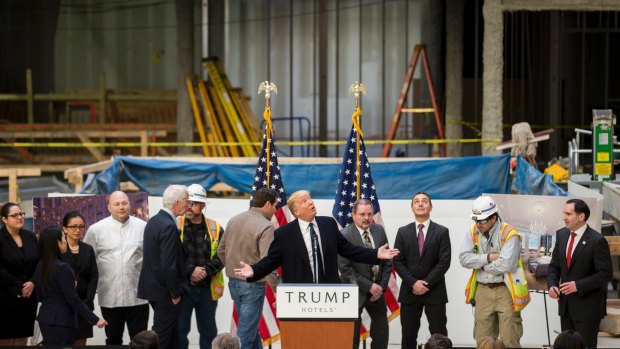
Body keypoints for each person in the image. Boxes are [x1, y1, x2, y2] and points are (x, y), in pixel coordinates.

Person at [235, 190, 399, 284]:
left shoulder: (328, 224)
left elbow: (349, 250)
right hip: (300, 295)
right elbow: (271, 261)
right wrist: (254, 270)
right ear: (296, 211)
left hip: (329, 293)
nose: (310, 202)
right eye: (304, 201)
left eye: (310, 198)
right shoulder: (284, 234)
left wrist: (375, 254)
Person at [459, 195, 530, 348]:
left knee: (510, 339)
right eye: (475, 220)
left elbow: (506, 265)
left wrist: (480, 264)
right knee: (483, 341)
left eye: (481, 220)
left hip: (506, 290)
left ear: (493, 218)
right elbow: (464, 259)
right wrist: (489, 257)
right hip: (483, 291)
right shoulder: (473, 231)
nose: (478, 224)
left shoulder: (510, 233)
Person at [84, 190, 150, 345]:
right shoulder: (96, 229)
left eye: (124, 203)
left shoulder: (143, 227)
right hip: (109, 297)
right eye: (117, 204)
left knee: (141, 340)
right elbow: (87, 260)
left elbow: (151, 259)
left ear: (130, 204)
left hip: (138, 296)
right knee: (113, 339)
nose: (121, 207)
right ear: (109, 207)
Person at [217, 187, 279, 349]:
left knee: (250, 329)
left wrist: (232, 268)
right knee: (246, 331)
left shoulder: (234, 219)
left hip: (234, 283)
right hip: (253, 285)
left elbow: (220, 251)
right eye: (275, 205)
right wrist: (276, 289)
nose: (276, 209)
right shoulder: (266, 226)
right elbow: (269, 262)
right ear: (267, 204)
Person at [547, 199, 612, 349]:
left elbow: (605, 274)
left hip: (587, 310)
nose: (564, 217)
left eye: (568, 214)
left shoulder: (597, 241)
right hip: (566, 308)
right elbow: (554, 267)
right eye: (564, 213)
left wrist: (578, 285)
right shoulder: (562, 235)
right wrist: (552, 286)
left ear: (581, 216)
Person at [394, 192, 451, 349]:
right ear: (412, 208)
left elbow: (444, 262)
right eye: (416, 202)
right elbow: (398, 261)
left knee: (439, 336)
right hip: (409, 292)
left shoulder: (442, 231)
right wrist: (414, 283)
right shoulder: (402, 232)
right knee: (408, 336)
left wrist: (425, 283)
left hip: (435, 291)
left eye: (424, 201)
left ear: (430, 207)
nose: (420, 204)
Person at [33, 226, 107, 345]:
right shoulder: (63, 268)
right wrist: (95, 319)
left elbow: (40, 296)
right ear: (57, 243)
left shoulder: (40, 265)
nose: (65, 241)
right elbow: (73, 300)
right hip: (62, 321)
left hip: (45, 319)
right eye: (63, 238)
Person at [138, 184, 189, 349]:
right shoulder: (168, 225)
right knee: (161, 339)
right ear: (177, 202)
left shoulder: (154, 221)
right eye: (186, 201)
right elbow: (168, 265)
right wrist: (175, 292)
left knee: (172, 335)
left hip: (154, 289)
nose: (188, 205)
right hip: (165, 292)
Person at [338, 199, 391, 349]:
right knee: (352, 336)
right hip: (355, 291)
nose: (366, 218)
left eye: (369, 214)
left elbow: (387, 261)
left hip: (378, 293)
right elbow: (345, 269)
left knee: (381, 332)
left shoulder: (379, 230)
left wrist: (380, 287)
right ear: (354, 215)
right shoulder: (344, 235)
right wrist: (369, 286)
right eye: (362, 214)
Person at [178, 184, 225, 349]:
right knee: (179, 332)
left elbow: (223, 255)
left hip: (207, 289)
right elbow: (172, 257)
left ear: (203, 205)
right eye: (187, 202)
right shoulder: (175, 225)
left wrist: (205, 272)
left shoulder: (216, 228)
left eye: (194, 203)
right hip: (182, 288)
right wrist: (190, 270)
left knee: (209, 332)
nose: (189, 207)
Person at [0, 202, 39, 345]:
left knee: (23, 338)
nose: (19, 217)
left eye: (21, 214)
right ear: (4, 219)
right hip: (6, 297)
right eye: (14, 215)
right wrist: (20, 287)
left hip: (29, 297)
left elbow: (39, 263)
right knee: (7, 339)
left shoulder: (30, 236)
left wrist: (33, 282)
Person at [61, 211, 99, 346]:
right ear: (65, 228)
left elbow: (94, 276)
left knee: (81, 342)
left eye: (81, 227)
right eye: (73, 226)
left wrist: (88, 300)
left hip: (85, 304)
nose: (78, 230)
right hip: (64, 306)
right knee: (65, 343)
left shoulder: (87, 249)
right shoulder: (59, 249)